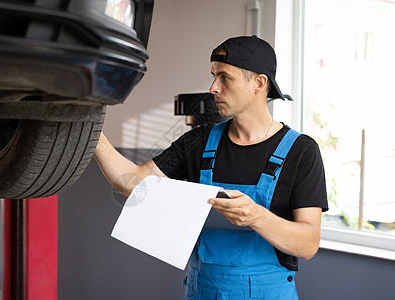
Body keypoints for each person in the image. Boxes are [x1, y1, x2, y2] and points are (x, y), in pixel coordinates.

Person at [94, 35, 328, 299]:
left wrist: (256, 217)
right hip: (202, 290)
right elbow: (132, 183)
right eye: (214, 76)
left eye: (225, 78)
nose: (213, 87)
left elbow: (308, 243)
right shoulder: (200, 140)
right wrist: (90, 132)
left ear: (259, 84)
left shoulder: (301, 151)